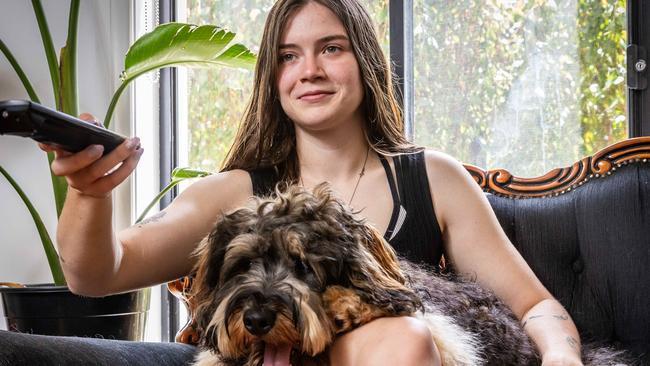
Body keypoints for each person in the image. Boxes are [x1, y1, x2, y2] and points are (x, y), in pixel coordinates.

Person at [0, 0, 585, 365]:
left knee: (401, 342)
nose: (309, 70)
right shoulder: (235, 194)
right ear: (272, 77)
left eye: (331, 49)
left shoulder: (431, 180)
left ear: (366, 63)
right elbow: (97, 273)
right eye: (288, 56)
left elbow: (534, 305)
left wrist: (560, 356)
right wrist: (89, 192)